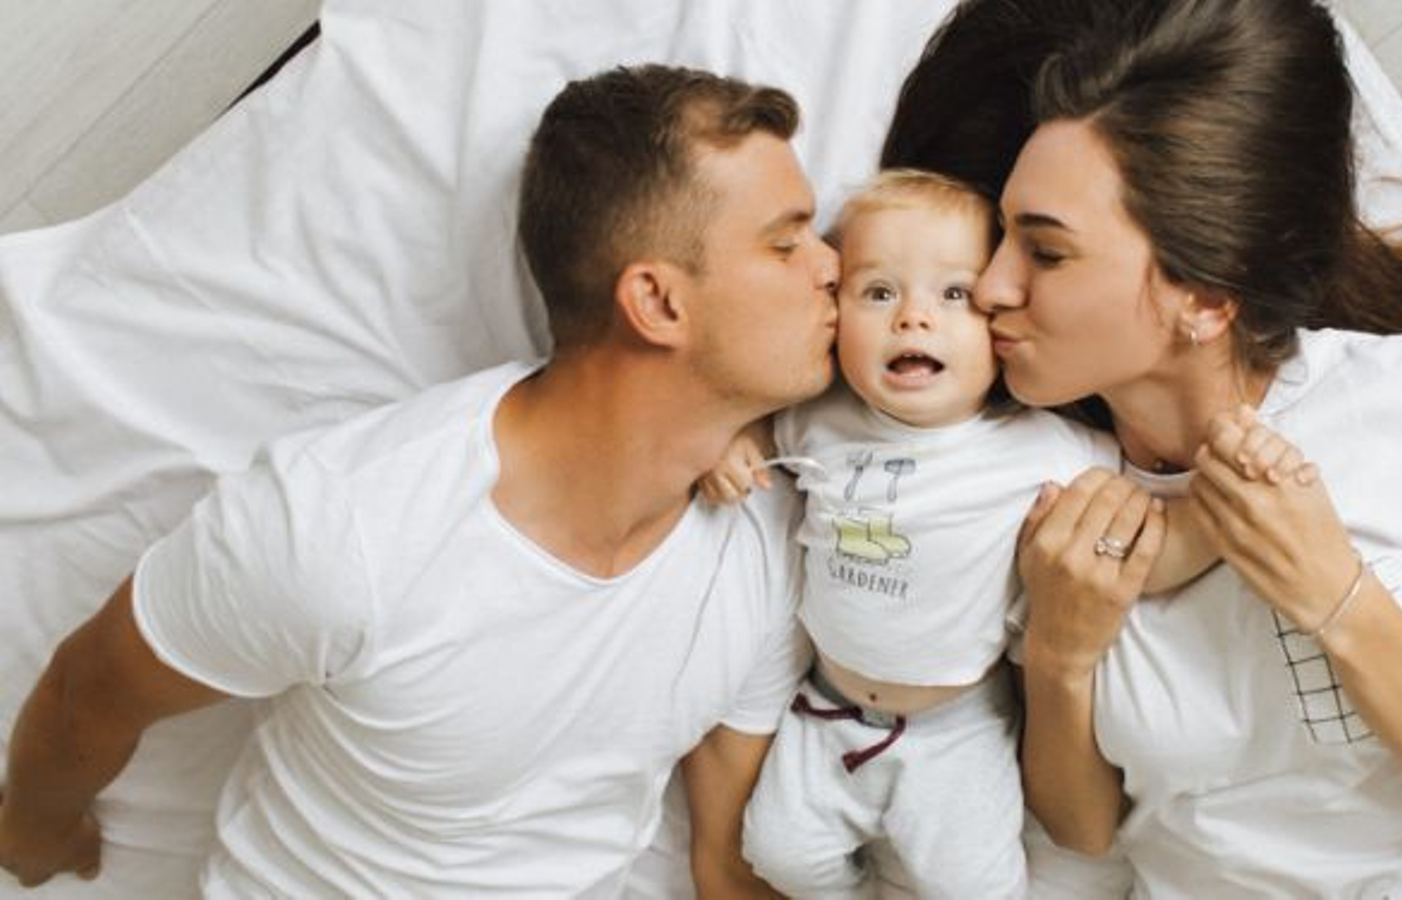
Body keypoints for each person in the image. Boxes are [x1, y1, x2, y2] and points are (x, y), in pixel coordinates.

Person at [0, 64, 839, 896]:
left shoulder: (766, 545)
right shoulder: (346, 527)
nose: (832, 265)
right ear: (656, 302)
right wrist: (32, 833)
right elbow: (90, 689)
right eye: (786, 242)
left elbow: (720, 864)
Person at [883, 0, 1402, 895]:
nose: (993, 286)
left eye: (1045, 254)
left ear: (1204, 299)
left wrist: (1335, 596)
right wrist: (1060, 650)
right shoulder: (1026, 479)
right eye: (1002, 236)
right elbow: (1084, 830)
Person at [699, 169, 1290, 898]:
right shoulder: (818, 418)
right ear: (836, 313)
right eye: (879, 293)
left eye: (954, 295)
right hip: (826, 713)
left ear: (1000, 330)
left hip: (955, 730)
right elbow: (749, 418)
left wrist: (1222, 503)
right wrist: (730, 443)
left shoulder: (1041, 448)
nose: (913, 319)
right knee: (777, 854)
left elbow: (1142, 548)